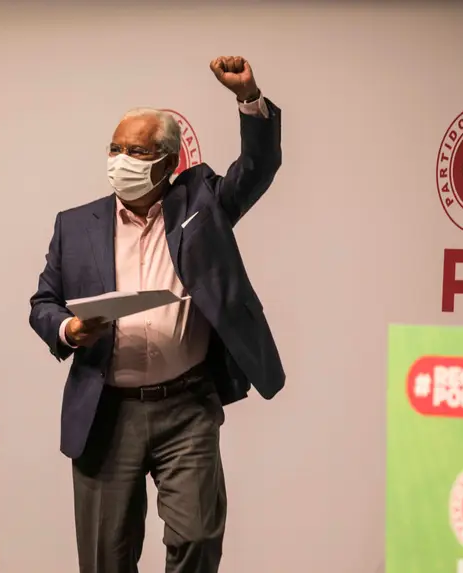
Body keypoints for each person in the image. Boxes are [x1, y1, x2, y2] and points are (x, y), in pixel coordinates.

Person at [29, 56, 285, 573]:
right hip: (107, 409)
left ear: (168, 163)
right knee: (105, 559)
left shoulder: (203, 202)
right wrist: (68, 329)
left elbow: (258, 168)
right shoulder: (74, 225)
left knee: (197, 538)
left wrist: (248, 98)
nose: (121, 160)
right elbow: (43, 304)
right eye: (115, 149)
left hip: (185, 407)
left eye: (137, 151)